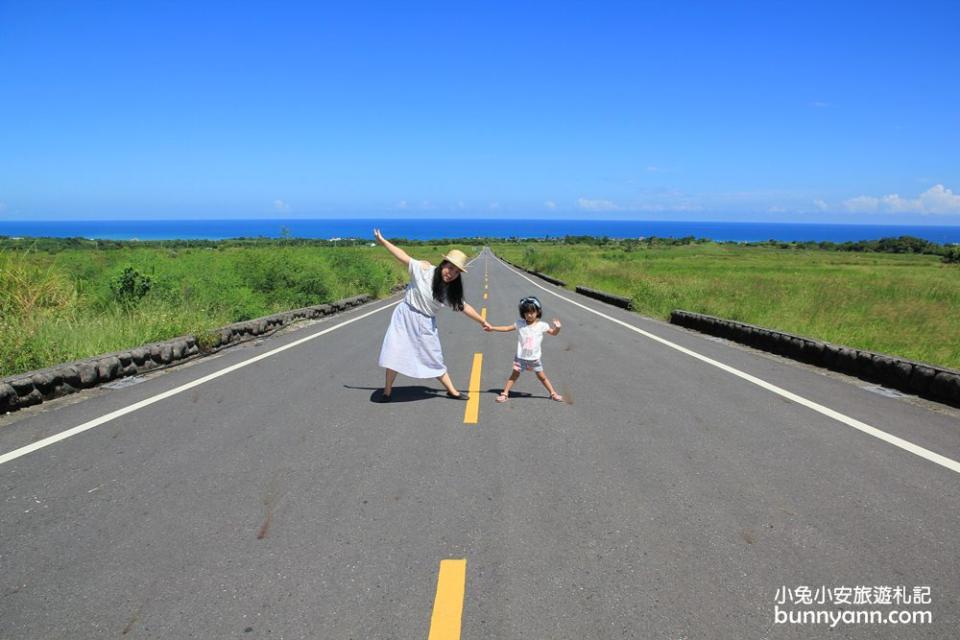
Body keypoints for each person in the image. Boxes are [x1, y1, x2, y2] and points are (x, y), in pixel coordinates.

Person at [374, 228, 491, 402]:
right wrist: (383, 241)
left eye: (456, 272)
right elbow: (402, 256)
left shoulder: (450, 290)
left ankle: (452, 391)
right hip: (405, 316)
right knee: (394, 353)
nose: (451, 273)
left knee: (433, 356)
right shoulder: (423, 270)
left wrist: (482, 321)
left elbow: (464, 307)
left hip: (425, 322)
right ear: (443, 263)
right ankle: (387, 392)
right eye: (450, 268)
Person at [485, 295, 564, 403]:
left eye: (532, 312)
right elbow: (507, 328)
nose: (530, 315)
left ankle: (553, 394)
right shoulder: (520, 324)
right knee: (514, 375)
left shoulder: (542, 325)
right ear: (523, 313)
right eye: (527, 312)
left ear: (538, 312)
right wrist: (493, 328)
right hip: (521, 357)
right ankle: (505, 394)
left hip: (534, 358)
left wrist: (557, 328)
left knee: (542, 377)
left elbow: (554, 333)